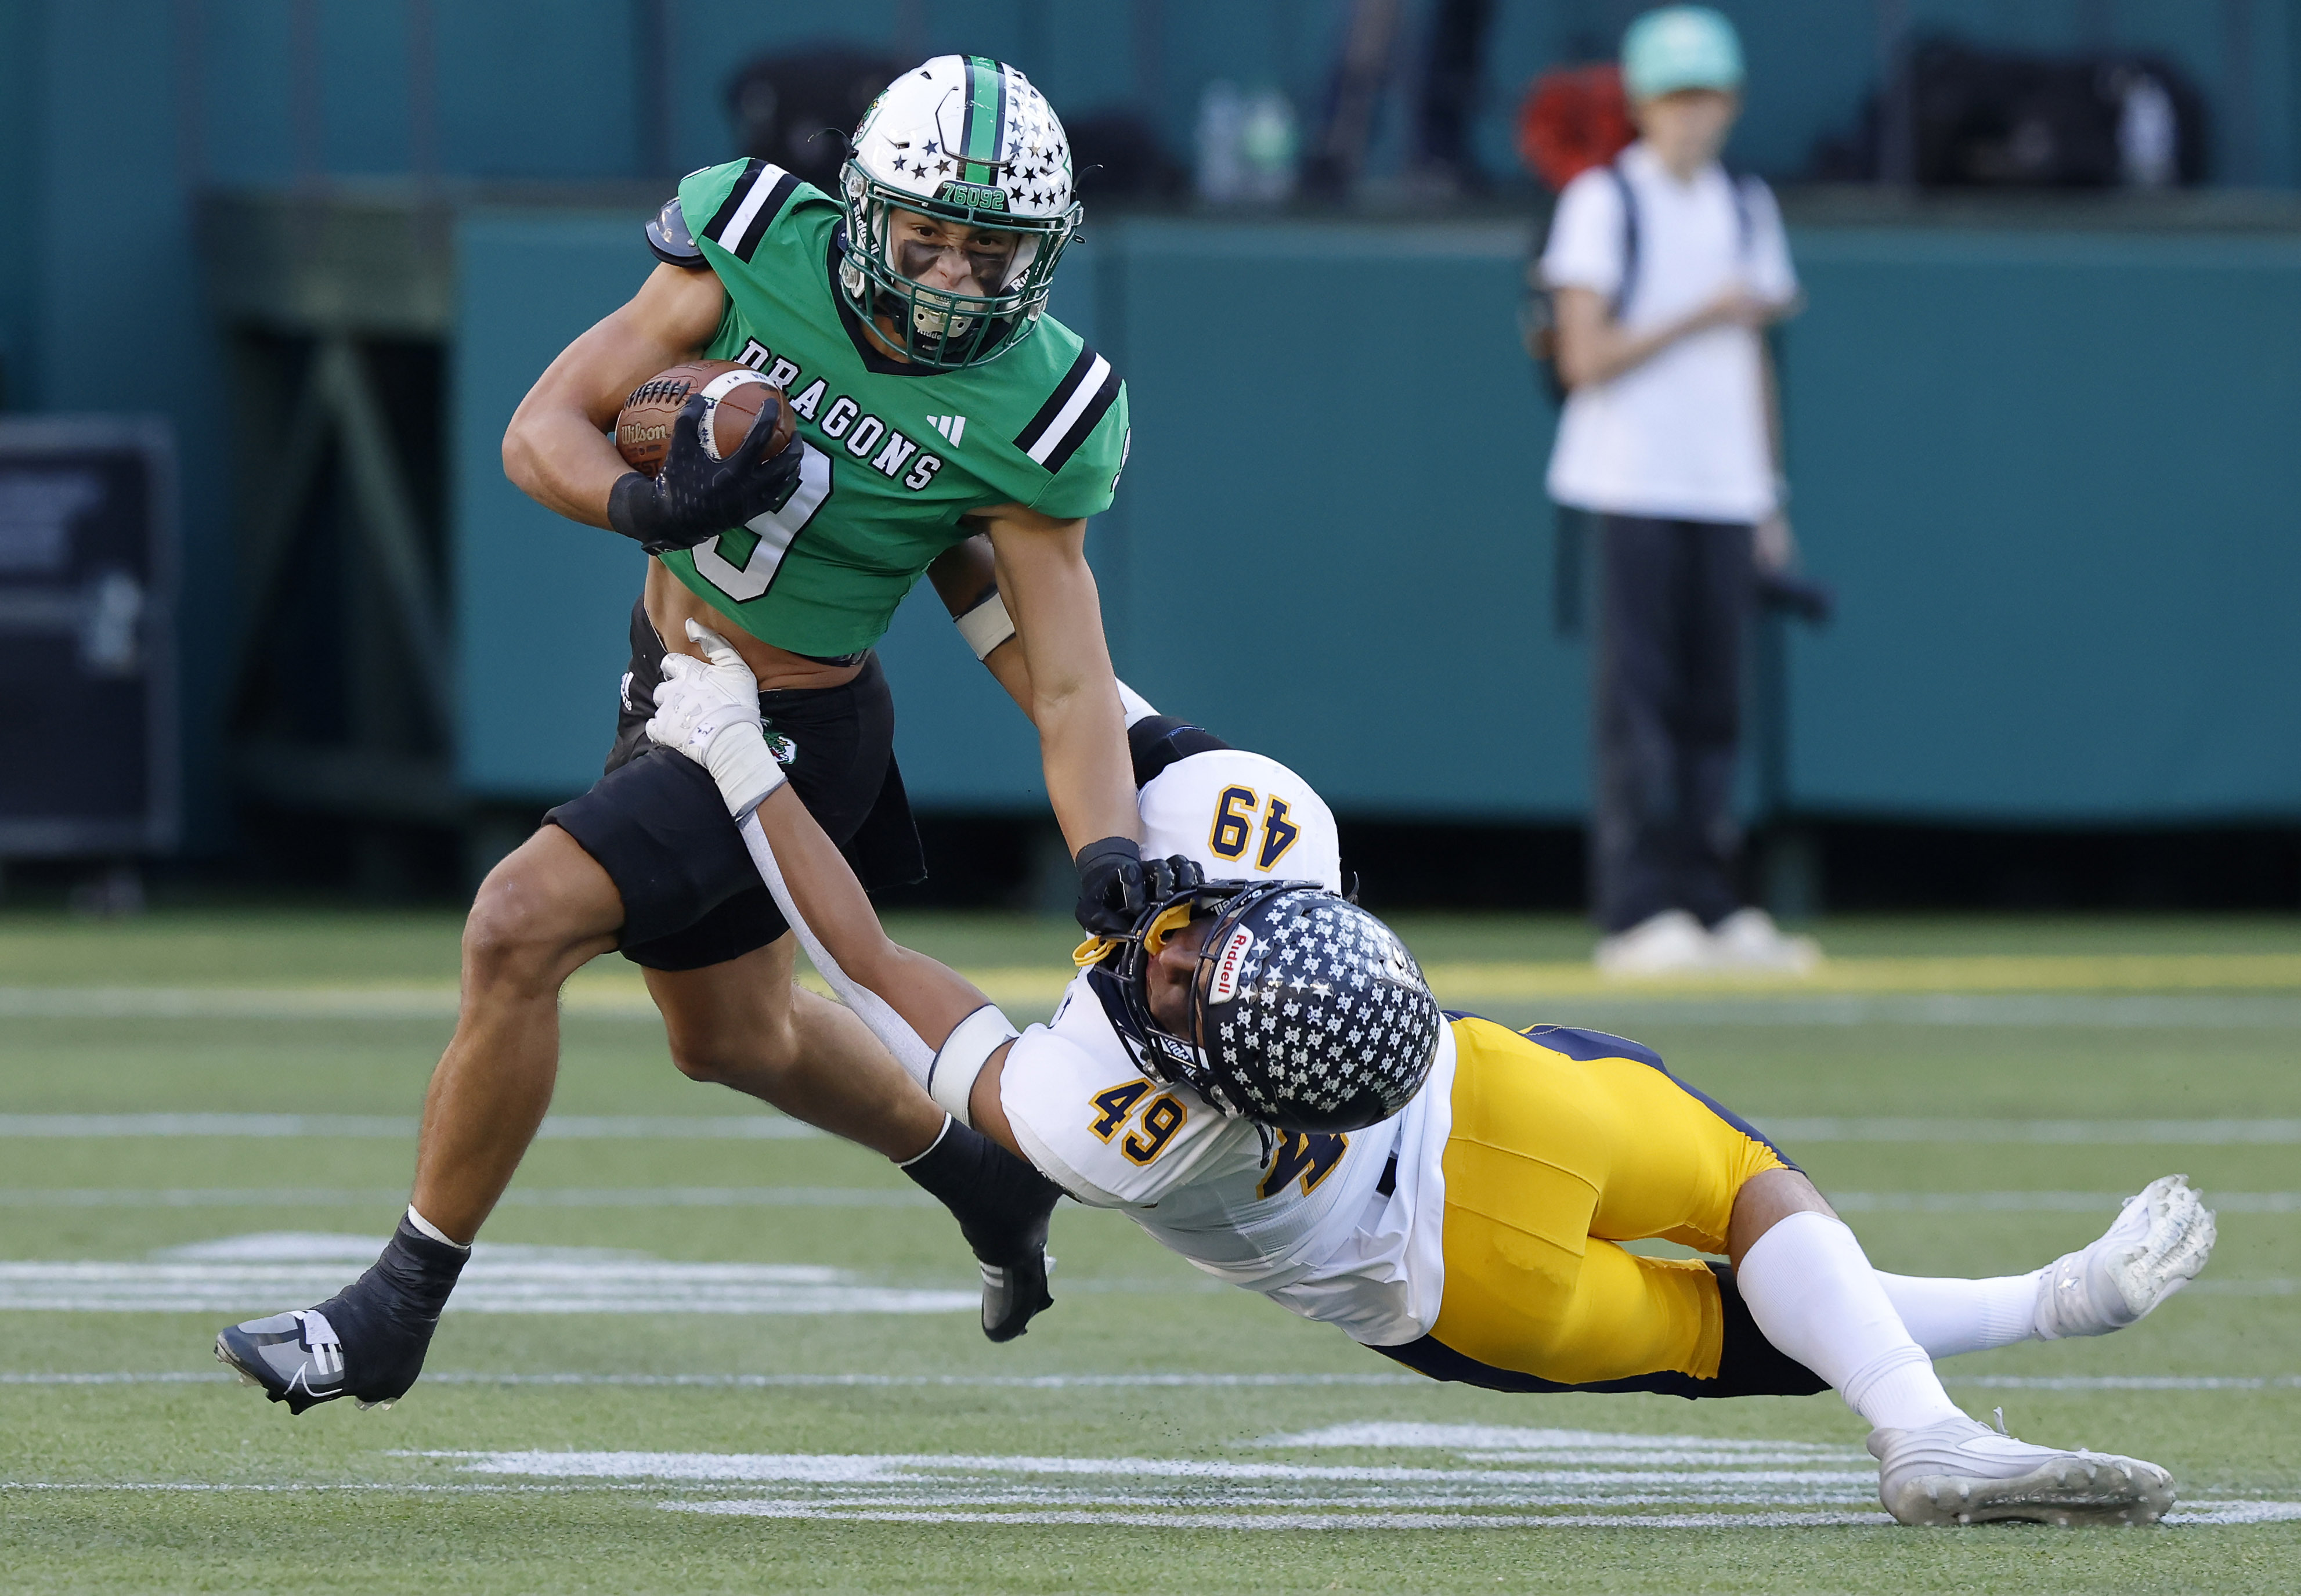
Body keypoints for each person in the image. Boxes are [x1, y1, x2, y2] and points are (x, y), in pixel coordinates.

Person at [634, 630, 2216, 1527]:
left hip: (1446, 1284)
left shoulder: (1111, 1115)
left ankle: (1963, 1390)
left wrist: (738, 752)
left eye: (1180, 978)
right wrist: (980, 549)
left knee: (1724, 1312)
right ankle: (1994, 1355)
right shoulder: (1274, 841)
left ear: (1202, 1061)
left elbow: (876, 967)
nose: (1160, 961)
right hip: (1503, 1104)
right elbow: (1074, 680)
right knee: (1751, 1202)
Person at [216, 56, 1157, 1414]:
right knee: (736, 1037)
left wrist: (1110, 844)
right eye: (928, 236)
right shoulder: (757, 239)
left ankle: (393, 1309)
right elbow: (543, 426)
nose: (954, 277)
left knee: (514, 920)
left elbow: (1070, 679)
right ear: (860, 212)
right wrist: (644, 509)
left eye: (990, 249)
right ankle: (989, 1178)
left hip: (788, 729)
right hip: (667, 679)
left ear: (1045, 257)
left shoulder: (1039, 408)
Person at [1542, 7, 1813, 975]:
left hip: (1726, 493)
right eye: (1673, 98)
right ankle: (1634, 911)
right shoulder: (1602, 202)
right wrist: (1701, 311)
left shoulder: (1746, 206)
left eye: (1707, 98)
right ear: (1643, 108)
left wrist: (1767, 494)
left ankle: (1711, 901)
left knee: (1715, 709)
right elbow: (1584, 355)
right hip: (1630, 483)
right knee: (1639, 706)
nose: (1692, 118)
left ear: (1730, 105)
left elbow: (1754, 364)